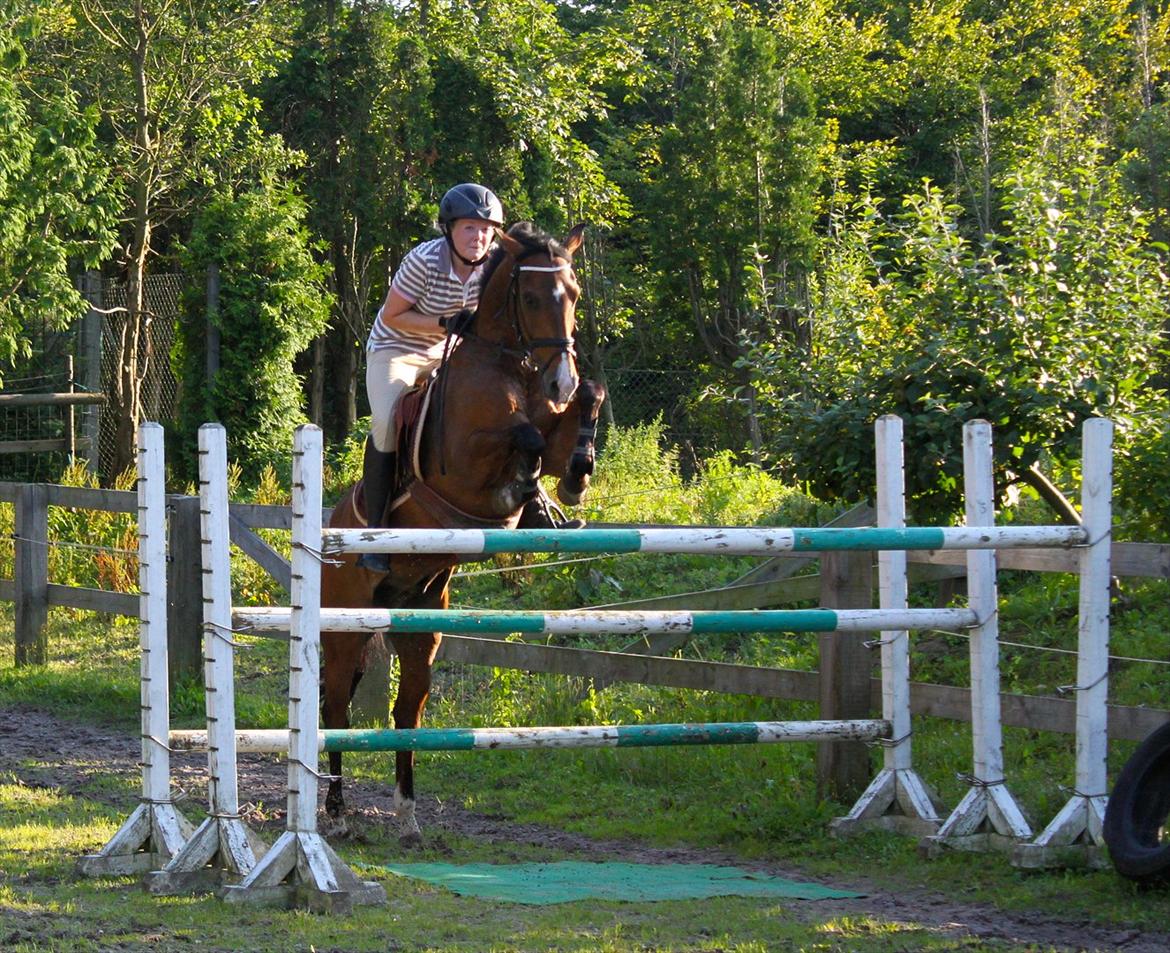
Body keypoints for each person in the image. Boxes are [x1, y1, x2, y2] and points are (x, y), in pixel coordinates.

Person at [357, 183, 504, 572]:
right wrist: (443, 323)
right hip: (397, 348)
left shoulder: (495, 265)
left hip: (449, 352)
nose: (479, 237)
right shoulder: (424, 260)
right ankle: (375, 533)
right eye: (470, 228)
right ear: (449, 229)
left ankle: (533, 502)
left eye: (486, 229)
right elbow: (393, 315)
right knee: (387, 423)